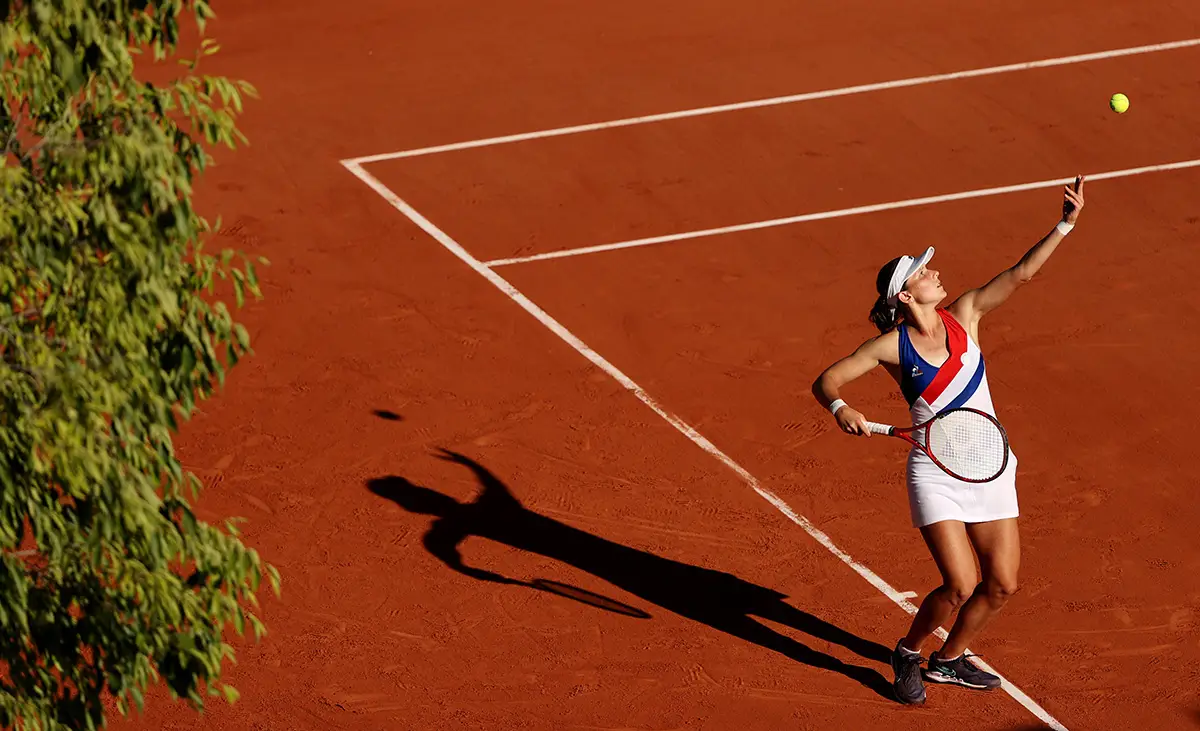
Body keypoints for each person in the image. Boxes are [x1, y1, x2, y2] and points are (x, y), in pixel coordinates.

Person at [810, 175, 1086, 705]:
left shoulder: (967, 313)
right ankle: (908, 651)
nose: (935, 273)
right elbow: (827, 381)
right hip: (936, 471)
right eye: (923, 273)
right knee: (958, 583)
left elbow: (1022, 273)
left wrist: (1065, 224)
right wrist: (841, 407)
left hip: (989, 463)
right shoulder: (890, 346)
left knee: (1001, 584)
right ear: (906, 294)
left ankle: (949, 660)